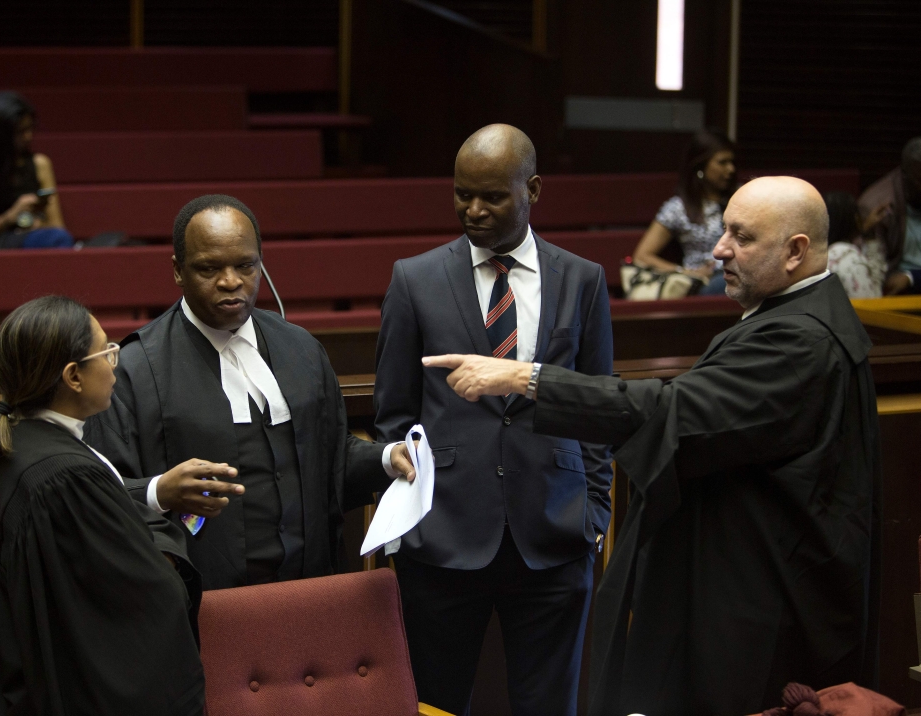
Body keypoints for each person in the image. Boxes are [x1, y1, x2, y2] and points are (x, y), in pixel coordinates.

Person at [424, 176, 881, 716]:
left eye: (742, 237)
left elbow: (673, 412)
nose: (719, 249)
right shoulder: (803, 316)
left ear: (795, 251)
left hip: (765, 615)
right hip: (758, 583)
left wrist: (527, 378)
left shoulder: (800, 339)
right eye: (724, 230)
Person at [373, 124, 613, 716]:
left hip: (555, 534)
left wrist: (595, 512)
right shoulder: (415, 278)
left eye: (493, 197)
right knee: (435, 705)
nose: (473, 210)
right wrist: (409, 521)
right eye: (462, 195)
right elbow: (394, 412)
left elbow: (598, 405)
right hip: (443, 539)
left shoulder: (582, 279)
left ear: (533, 190)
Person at [84, 194, 416, 590]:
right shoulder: (135, 370)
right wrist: (160, 492)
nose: (230, 281)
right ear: (177, 270)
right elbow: (103, 494)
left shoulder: (301, 349)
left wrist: (386, 458)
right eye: (209, 268)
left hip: (308, 588)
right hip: (199, 600)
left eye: (245, 265)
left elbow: (330, 459)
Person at [0, 296, 217, 715]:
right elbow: (153, 595)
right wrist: (167, 542)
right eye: (106, 352)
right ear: (73, 376)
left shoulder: (17, 443)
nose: (115, 364)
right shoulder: (68, 477)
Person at [0, 91, 74, 249]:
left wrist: (38, 224)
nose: (28, 136)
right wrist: (9, 217)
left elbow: (58, 226)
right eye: (20, 132)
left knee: (58, 238)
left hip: (32, 238)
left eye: (30, 129)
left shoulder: (40, 164)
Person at [631, 128, 737, 295]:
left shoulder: (739, 199)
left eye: (732, 162)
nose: (730, 169)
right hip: (705, 282)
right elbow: (642, 256)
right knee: (723, 283)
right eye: (722, 162)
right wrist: (685, 272)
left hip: (740, 272)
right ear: (701, 165)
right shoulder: (679, 208)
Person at [859, 136, 921, 294]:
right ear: (905, 175)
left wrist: (911, 277)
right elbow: (873, 275)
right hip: (896, 291)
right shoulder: (877, 206)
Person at [824, 191, 887, 298]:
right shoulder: (850, 259)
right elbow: (871, 301)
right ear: (855, 219)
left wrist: (867, 233)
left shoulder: (819, 257)